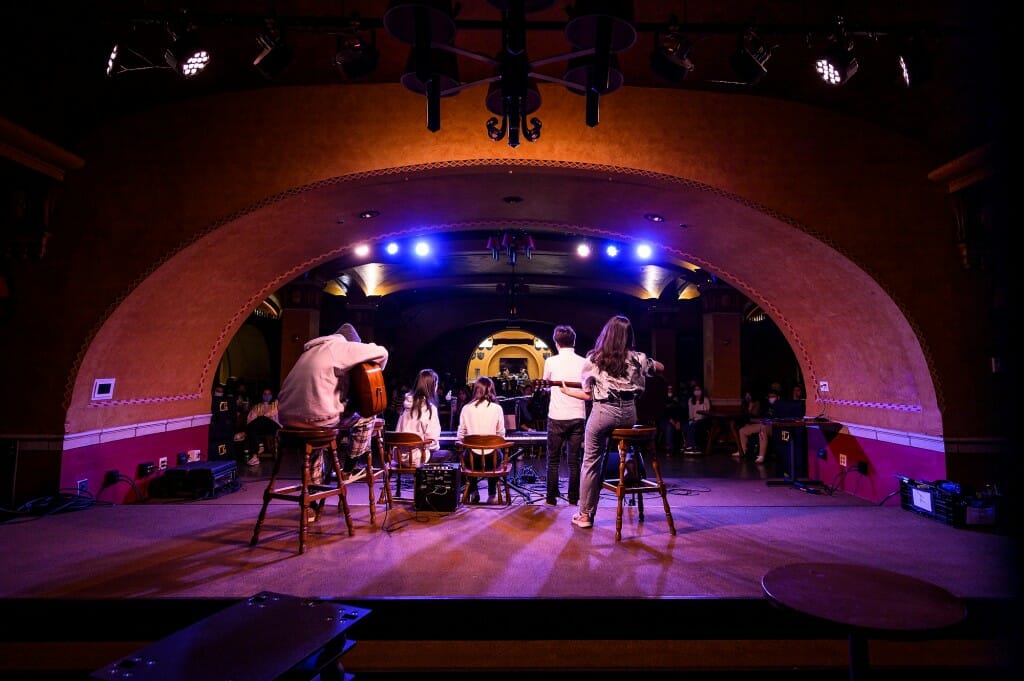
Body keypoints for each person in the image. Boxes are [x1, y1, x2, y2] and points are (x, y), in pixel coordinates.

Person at [559, 315, 664, 529]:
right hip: (629, 414)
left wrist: (567, 392)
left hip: (603, 412)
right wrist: (648, 364)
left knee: (590, 462)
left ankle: (585, 515)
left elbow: (588, 395)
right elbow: (661, 368)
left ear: (607, 334)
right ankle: (632, 462)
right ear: (629, 336)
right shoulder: (638, 359)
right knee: (625, 440)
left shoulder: (594, 360)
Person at [277, 322, 389, 502]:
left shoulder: (310, 351)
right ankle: (350, 466)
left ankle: (312, 502)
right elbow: (383, 352)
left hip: (286, 419)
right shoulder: (340, 347)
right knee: (367, 415)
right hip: (317, 419)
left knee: (313, 445)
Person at [541, 324, 587, 506]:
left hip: (557, 415)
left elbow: (545, 385)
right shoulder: (584, 362)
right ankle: (573, 498)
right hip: (577, 415)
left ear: (556, 343)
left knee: (553, 460)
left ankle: (551, 498)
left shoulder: (551, 362)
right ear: (574, 342)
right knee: (574, 461)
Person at [456, 376, 506, 504]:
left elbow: (460, 435)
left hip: (473, 461)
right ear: (491, 389)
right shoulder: (497, 409)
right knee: (496, 453)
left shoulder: (466, 408)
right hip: (491, 461)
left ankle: (473, 492)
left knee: (466, 455)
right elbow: (501, 435)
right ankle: (492, 494)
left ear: (476, 389)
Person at [395, 368, 455, 464]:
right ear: (432, 386)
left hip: (398, 457)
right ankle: (426, 478)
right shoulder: (429, 409)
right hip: (417, 458)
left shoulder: (405, 405)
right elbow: (432, 443)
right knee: (448, 453)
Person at [736, 387, 780, 463]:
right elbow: (760, 416)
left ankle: (761, 456)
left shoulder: (781, 406)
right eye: (770, 397)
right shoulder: (766, 406)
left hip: (775, 427)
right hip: (763, 424)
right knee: (742, 430)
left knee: (762, 430)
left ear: (778, 397)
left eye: (773, 397)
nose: (771, 398)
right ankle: (743, 451)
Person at [244, 387, 281, 467]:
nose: (266, 396)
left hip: (273, 427)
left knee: (261, 418)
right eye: (265, 394)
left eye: (268, 394)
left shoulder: (276, 405)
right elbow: (250, 422)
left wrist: (264, 417)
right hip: (260, 429)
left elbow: (279, 420)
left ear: (272, 395)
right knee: (252, 428)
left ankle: (259, 444)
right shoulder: (257, 406)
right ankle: (255, 456)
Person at [683, 383, 712, 454]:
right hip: (693, 419)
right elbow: (690, 412)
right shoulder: (690, 400)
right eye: (695, 389)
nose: (697, 391)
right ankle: (689, 446)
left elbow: (707, 412)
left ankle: (695, 446)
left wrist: (698, 419)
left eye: (698, 389)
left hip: (702, 420)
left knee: (697, 425)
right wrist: (691, 419)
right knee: (689, 425)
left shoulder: (705, 400)